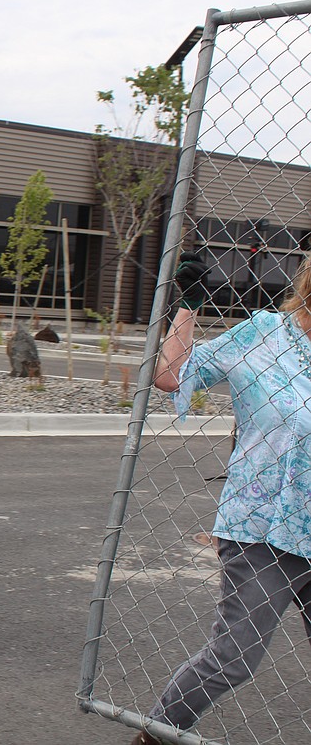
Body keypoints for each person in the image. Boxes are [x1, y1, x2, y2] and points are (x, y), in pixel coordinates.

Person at [133, 251, 311, 744]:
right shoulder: (263, 336)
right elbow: (171, 375)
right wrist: (187, 305)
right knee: (234, 658)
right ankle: (156, 735)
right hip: (265, 531)